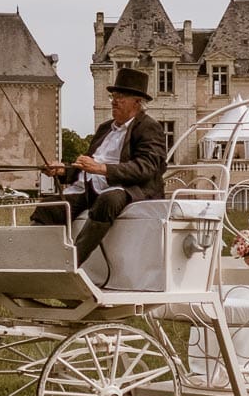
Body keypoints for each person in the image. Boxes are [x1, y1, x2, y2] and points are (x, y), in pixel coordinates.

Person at [34, 66, 166, 271]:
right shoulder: (105, 128)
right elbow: (86, 167)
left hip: (130, 189)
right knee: (48, 208)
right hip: (92, 188)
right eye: (113, 96)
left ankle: (72, 263)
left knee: (109, 199)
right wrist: (63, 170)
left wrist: (103, 169)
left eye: (121, 96)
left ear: (137, 102)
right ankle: (39, 264)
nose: (114, 101)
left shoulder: (149, 127)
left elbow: (147, 167)